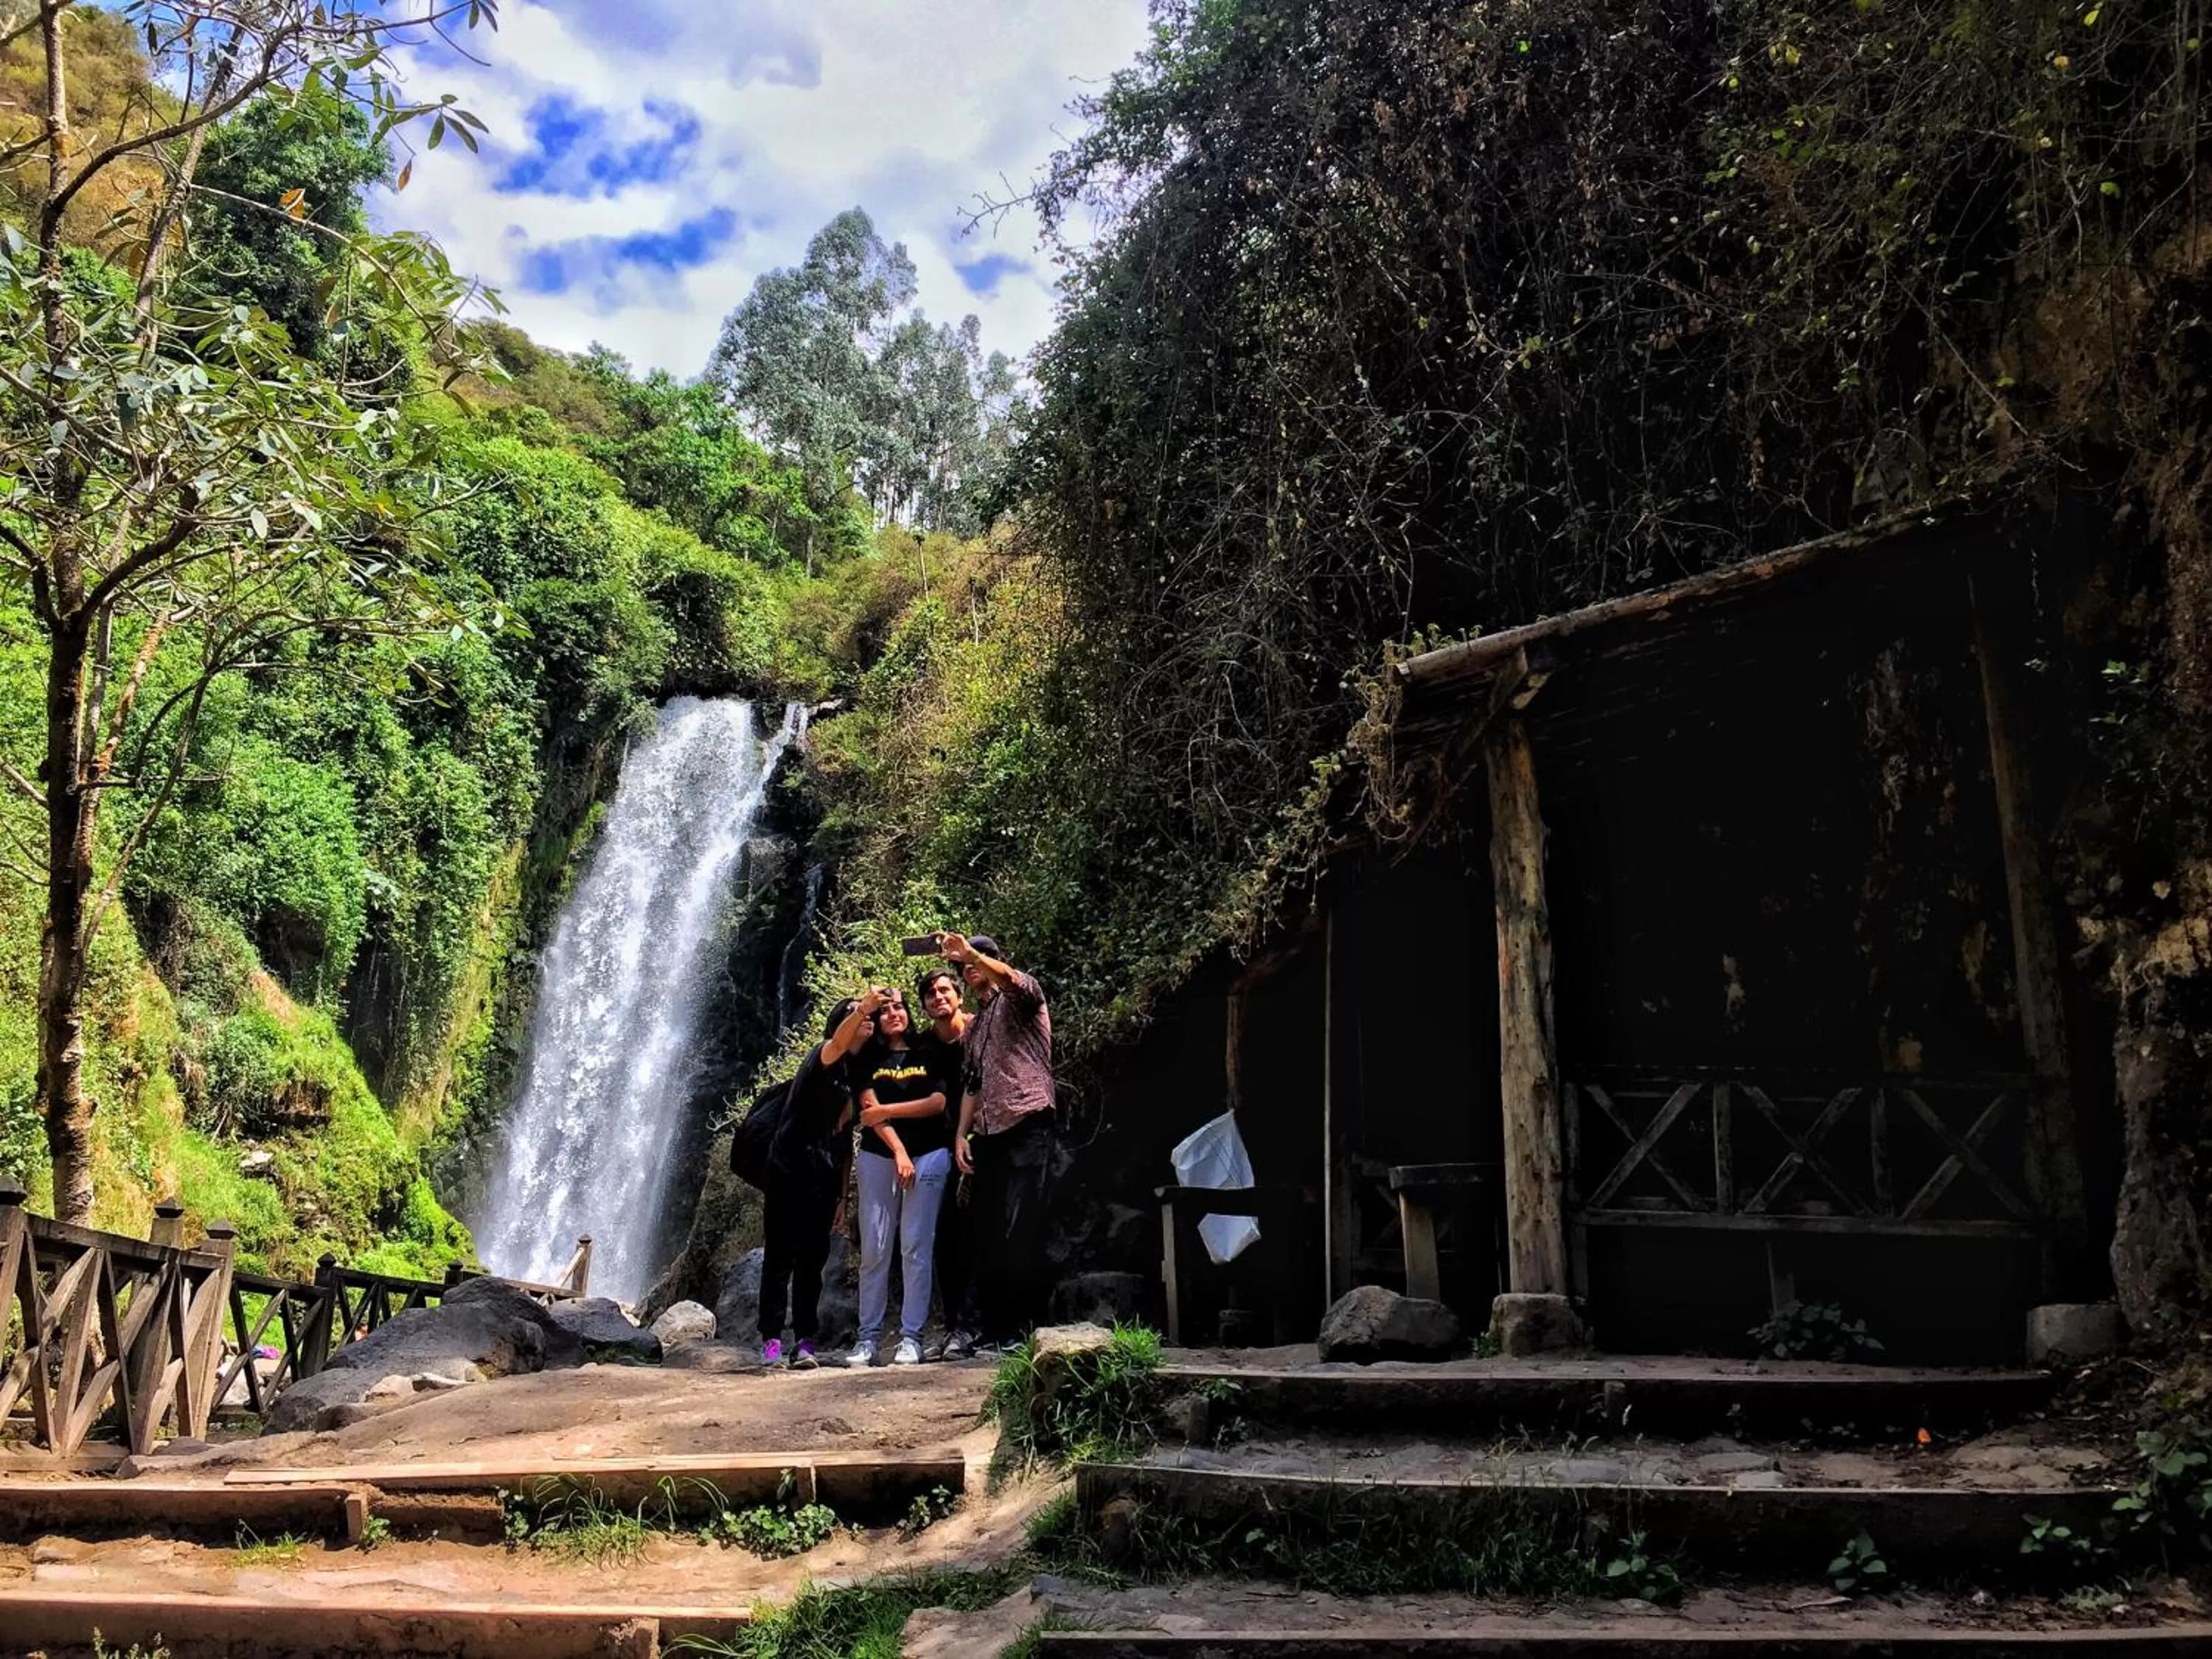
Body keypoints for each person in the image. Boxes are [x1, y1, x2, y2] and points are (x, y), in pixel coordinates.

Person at [940, 932, 1056, 1357]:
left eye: (977, 961)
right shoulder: (976, 1028)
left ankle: (1019, 1331)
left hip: (1028, 1120)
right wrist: (961, 1133)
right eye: (964, 967)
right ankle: (989, 1330)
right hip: (988, 1134)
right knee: (986, 1234)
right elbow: (972, 1084)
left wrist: (972, 953)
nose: (970, 969)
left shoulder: (1022, 997)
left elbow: (1011, 980)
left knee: (1021, 1227)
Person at [845, 988, 961, 1367]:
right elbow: (868, 1110)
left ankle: (912, 1338)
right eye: (885, 1010)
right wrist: (898, 1150)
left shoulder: (928, 1051)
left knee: (915, 1247)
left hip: (929, 1155)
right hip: (880, 1156)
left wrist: (889, 1111)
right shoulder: (868, 1057)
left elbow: (938, 1103)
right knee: (875, 1250)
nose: (893, 1014)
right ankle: (868, 1339)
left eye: (899, 1007)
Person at [759, 992, 872, 1368]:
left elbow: (844, 1143)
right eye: (852, 1013)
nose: (864, 1017)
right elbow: (838, 1043)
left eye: (865, 1014)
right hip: (787, 1172)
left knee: (812, 1261)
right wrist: (865, 1007)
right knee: (779, 1257)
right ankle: (771, 1341)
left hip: (823, 1179)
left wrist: (843, 1197)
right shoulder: (822, 1055)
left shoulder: (858, 1076)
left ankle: (805, 1341)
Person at [916, 966, 973, 1346]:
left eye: (944, 990)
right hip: (937, 1149)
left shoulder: (981, 1033)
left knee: (986, 1233)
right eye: (931, 994)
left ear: (959, 996)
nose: (938, 997)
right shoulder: (923, 1047)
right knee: (946, 1238)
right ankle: (956, 1326)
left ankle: (988, 1325)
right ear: (924, 1006)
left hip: (985, 1139)